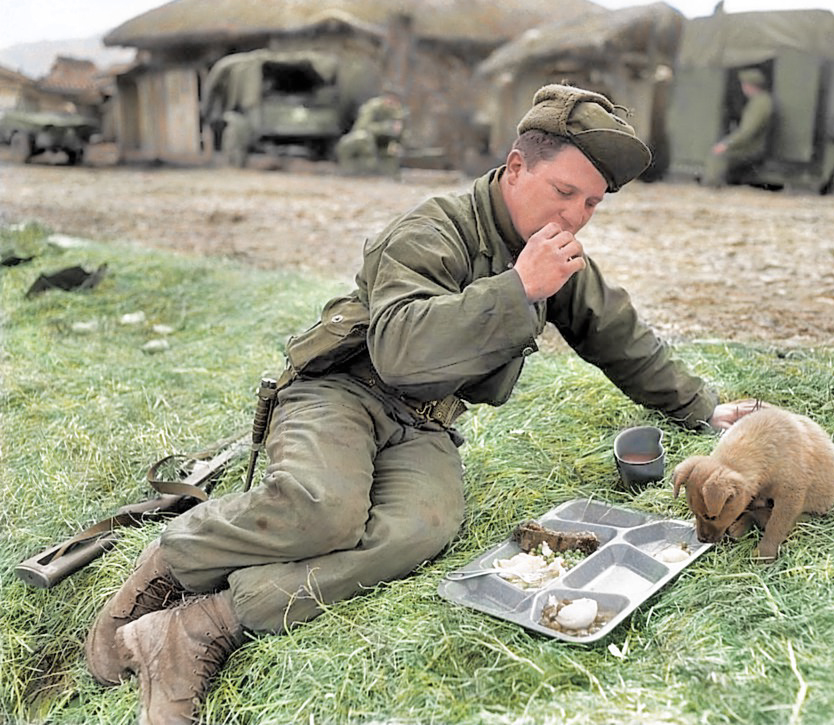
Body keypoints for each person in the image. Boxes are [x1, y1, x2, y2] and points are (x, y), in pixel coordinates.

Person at [84, 83, 762, 724]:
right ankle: (169, 565)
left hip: (424, 421)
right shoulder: (432, 229)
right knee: (325, 508)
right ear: (516, 166)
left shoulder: (554, 259)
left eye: (591, 204)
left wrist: (705, 407)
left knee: (421, 529)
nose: (575, 216)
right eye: (564, 192)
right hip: (342, 390)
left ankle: (200, 626)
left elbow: (617, 335)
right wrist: (517, 289)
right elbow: (399, 351)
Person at [702, 68, 774, 188]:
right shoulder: (762, 100)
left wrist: (726, 144)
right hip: (754, 146)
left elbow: (747, 132)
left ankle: (711, 187)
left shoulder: (760, 103)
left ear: (748, 86)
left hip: (752, 148)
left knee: (717, 155)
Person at [336, 88, 407, 176]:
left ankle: (386, 175)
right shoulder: (372, 107)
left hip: (380, 144)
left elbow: (403, 134)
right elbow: (362, 127)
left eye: (395, 100)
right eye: (390, 99)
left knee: (393, 151)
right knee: (363, 138)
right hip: (358, 142)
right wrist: (386, 127)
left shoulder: (397, 111)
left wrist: (397, 143)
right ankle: (364, 170)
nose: (391, 102)